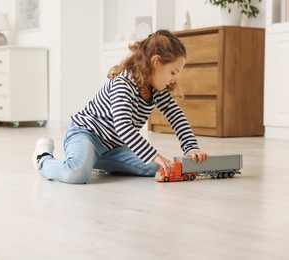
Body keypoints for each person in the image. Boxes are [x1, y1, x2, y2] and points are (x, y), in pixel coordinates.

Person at [32, 29, 208, 184]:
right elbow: (123, 126)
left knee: (157, 168)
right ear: (156, 63)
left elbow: (176, 116)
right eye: (172, 72)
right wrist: (156, 155)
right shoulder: (123, 84)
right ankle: (43, 159)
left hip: (113, 146)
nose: (172, 79)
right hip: (86, 134)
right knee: (76, 174)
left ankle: (95, 162)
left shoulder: (156, 90)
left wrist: (191, 147)